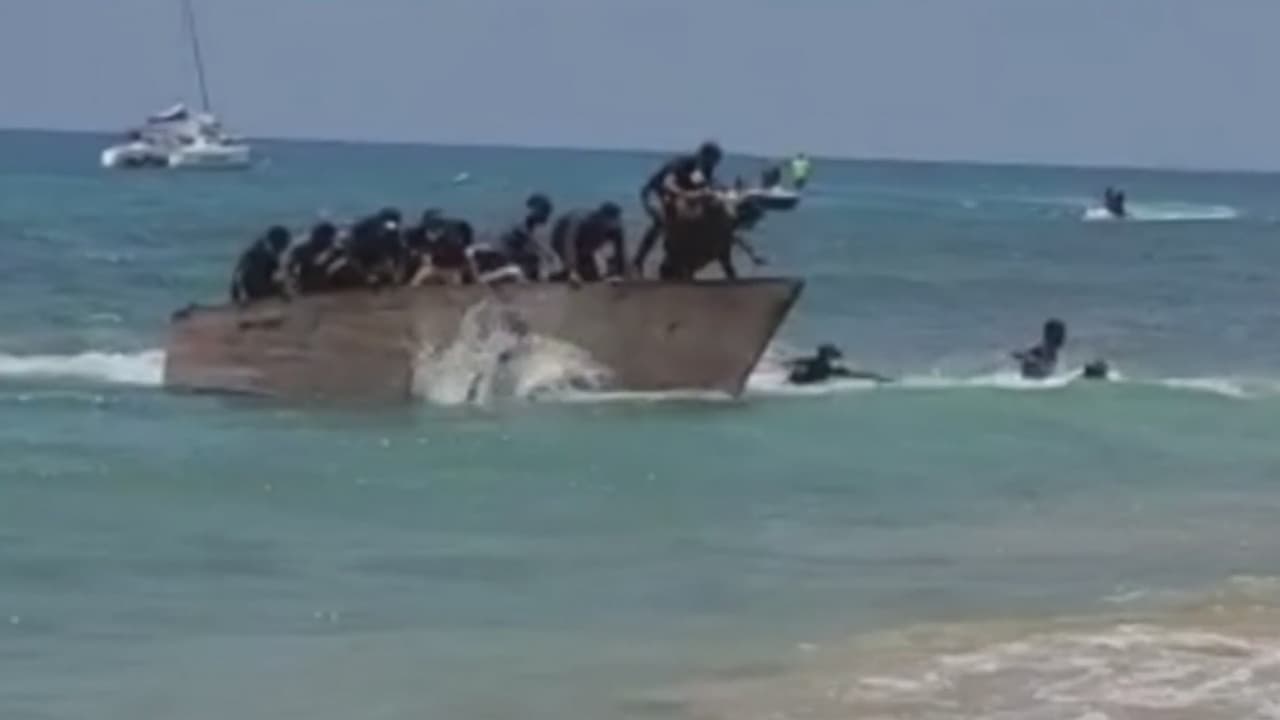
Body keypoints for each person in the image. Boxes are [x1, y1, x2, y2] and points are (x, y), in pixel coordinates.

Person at [633, 141, 723, 276]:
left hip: (677, 195)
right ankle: (638, 261)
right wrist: (685, 194)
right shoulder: (682, 163)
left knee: (695, 220)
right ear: (702, 155)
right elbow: (669, 183)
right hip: (654, 192)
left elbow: (706, 184)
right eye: (712, 160)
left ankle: (677, 263)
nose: (714, 164)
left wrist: (722, 191)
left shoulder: (704, 169)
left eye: (716, 162)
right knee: (661, 219)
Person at [551, 202, 627, 283]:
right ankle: (566, 272)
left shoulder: (615, 226)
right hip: (561, 237)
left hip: (584, 244)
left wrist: (620, 271)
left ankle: (577, 268)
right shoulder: (579, 221)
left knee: (591, 276)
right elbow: (568, 244)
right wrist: (572, 268)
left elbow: (620, 251)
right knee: (579, 275)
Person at [497, 193, 556, 281]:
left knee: (534, 258)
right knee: (534, 259)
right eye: (545, 212)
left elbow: (531, 242)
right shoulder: (522, 223)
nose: (547, 216)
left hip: (512, 252)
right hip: (505, 253)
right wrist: (546, 253)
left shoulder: (529, 224)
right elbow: (530, 241)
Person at [230, 226, 291, 304]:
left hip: (255, 289)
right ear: (278, 242)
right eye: (285, 244)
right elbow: (239, 274)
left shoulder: (267, 252)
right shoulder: (257, 252)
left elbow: (274, 275)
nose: (285, 248)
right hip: (250, 291)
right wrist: (242, 295)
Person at [785, 344, 891, 385]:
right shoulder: (825, 367)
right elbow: (855, 375)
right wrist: (875, 377)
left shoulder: (810, 361)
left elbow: (791, 363)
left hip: (799, 382)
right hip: (805, 384)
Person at [286, 221, 341, 294]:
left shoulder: (337, 252)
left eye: (328, 238)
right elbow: (290, 270)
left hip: (329, 289)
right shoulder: (300, 251)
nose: (325, 240)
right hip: (308, 288)